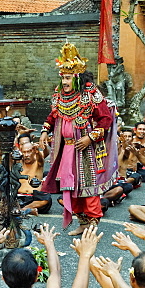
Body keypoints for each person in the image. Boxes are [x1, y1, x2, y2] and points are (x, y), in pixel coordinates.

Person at [40, 43, 118, 235]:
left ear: (76, 78)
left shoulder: (90, 94)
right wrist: (44, 131)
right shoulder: (59, 96)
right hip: (65, 150)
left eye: (67, 78)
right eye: (62, 78)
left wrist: (90, 138)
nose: (64, 82)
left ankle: (92, 225)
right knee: (70, 188)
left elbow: (105, 119)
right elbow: (52, 116)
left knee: (88, 189)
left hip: (85, 151)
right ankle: (82, 223)